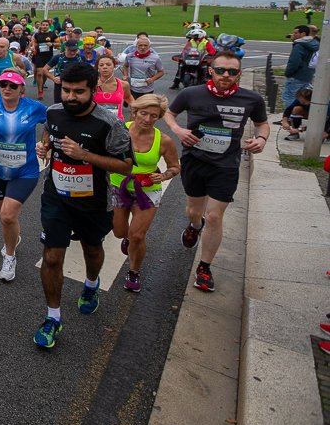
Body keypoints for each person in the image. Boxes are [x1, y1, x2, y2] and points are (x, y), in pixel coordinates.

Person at [33, 62, 133, 349]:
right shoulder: (53, 112)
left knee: (92, 248)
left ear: (93, 90)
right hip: (56, 196)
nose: (70, 97)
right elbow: (49, 133)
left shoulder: (109, 123)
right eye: (66, 90)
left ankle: (91, 285)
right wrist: (45, 147)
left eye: (78, 92)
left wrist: (84, 155)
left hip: (93, 201)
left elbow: (126, 165)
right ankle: (53, 317)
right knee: (52, 256)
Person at [166, 51, 269, 292]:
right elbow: (169, 114)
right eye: (221, 70)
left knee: (214, 216)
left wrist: (261, 139)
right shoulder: (192, 93)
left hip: (226, 164)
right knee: (194, 211)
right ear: (211, 70)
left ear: (239, 74)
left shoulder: (251, 99)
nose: (226, 75)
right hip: (195, 160)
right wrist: (178, 130)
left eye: (232, 71)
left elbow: (262, 123)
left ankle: (204, 268)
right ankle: (194, 226)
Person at [0, 70, 49, 282]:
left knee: (7, 215)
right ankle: (13, 238)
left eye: (13, 86)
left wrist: (46, 144)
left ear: (22, 89)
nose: (7, 88)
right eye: (3, 84)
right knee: (5, 216)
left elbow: (54, 122)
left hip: (25, 171)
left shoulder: (33, 107)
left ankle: (10, 257)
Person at [110, 94, 180, 293]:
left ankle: (134, 271)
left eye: (153, 116)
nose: (148, 119)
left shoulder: (164, 141)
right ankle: (127, 238)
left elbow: (175, 167)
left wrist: (164, 175)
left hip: (147, 191)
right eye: (144, 113)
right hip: (118, 186)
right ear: (134, 112)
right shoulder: (119, 131)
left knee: (138, 235)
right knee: (119, 232)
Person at [283, 25, 319, 111]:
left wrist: (288, 73)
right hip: (308, 75)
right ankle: (299, 115)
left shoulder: (299, 45)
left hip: (296, 76)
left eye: (296, 33)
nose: (293, 34)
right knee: (303, 98)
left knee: (289, 97)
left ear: (303, 34)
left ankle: (289, 116)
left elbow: (294, 61)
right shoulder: (314, 44)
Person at [119, 34, 164, 98]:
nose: (143, 47)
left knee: (145, 104)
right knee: (132, 104)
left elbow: (161, 72)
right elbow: (125, 66)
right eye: (140, 45)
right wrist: (125, 75)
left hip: (147, 90)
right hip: (132, 88)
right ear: (136, 46)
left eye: (145, 45)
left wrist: (152, 79)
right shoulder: (130, 56)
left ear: (149, 46)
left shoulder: (155, 58)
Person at [92, 55, 134, 121]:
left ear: (114, 67)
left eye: (108, 64)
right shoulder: (92, 85)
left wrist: (133, 115)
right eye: (101, 65)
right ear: (98, 68)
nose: (105, 67)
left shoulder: (123, 85)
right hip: (96, 122)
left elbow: (129, 98)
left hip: (117, 123)